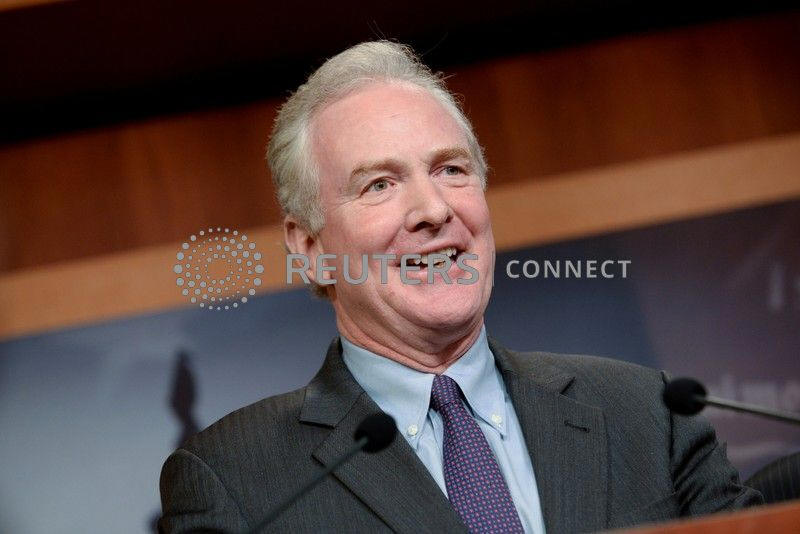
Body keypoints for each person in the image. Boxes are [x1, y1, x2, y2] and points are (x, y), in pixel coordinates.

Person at [158, 41, 761, 533]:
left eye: (450, 170)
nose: (433, 210)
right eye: (379, 185)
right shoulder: (234, 480)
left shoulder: (649, 413)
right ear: (311, 250)